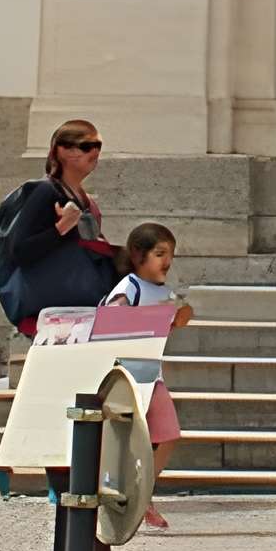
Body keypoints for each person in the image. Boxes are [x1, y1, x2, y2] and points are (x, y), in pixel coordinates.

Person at [0, 121, 124, 334]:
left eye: (98, 146)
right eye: (86, 146)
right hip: (52, 313)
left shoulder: (85, 200)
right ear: (62, 151)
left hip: (80, 311)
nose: (94, 152)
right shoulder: (45, 192)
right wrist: (61, 229)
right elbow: (19, 251)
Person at [110, 224, 192, 530]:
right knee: (126, 440)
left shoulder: (166, 293)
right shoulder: (129, 286)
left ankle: (142, 491)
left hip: (151, 376)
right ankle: (130, 495)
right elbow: (112, 319)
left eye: (170, 254)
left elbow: (169, 325)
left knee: (168, 434)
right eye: (160, 253)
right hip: (125, 377)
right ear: (138, 255)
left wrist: (180, 316)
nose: (167, 261)